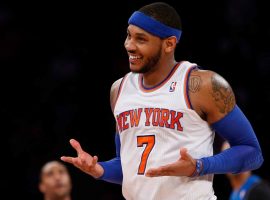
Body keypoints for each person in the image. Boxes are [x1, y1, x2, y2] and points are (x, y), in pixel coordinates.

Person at [60, 2, 264, 199]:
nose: (129, 45)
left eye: (141, 39)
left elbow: (252, 152)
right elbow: (131, 168)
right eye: (128, 36)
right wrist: (99, 169)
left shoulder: (202, 85)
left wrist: (199, 166)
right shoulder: (118, 90)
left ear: (169, 44)